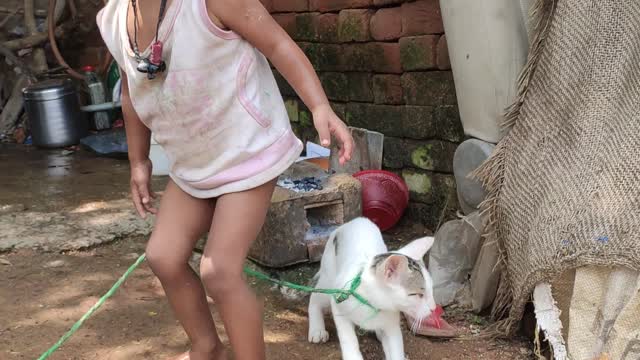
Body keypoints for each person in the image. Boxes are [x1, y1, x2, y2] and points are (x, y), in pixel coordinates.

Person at [97, 0, 354, 359]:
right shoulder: (114, 19)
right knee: (163, 256)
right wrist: (138, 161)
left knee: (219, 272)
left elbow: (278, 44)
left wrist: (320, 106)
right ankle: (206, 347)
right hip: (193, 163)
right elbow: (130, 91)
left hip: (248, 153)